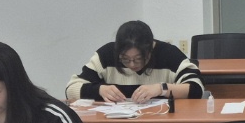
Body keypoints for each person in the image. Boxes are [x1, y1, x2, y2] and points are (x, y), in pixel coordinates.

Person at [65, 20, 203, 103]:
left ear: (150, 49)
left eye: (139, 59)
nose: (132, 64)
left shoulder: (169, 54)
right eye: (125, 59)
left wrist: (161, 89)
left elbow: (197, 89)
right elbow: (71, 89)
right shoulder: (105, 55)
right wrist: (99, 90)